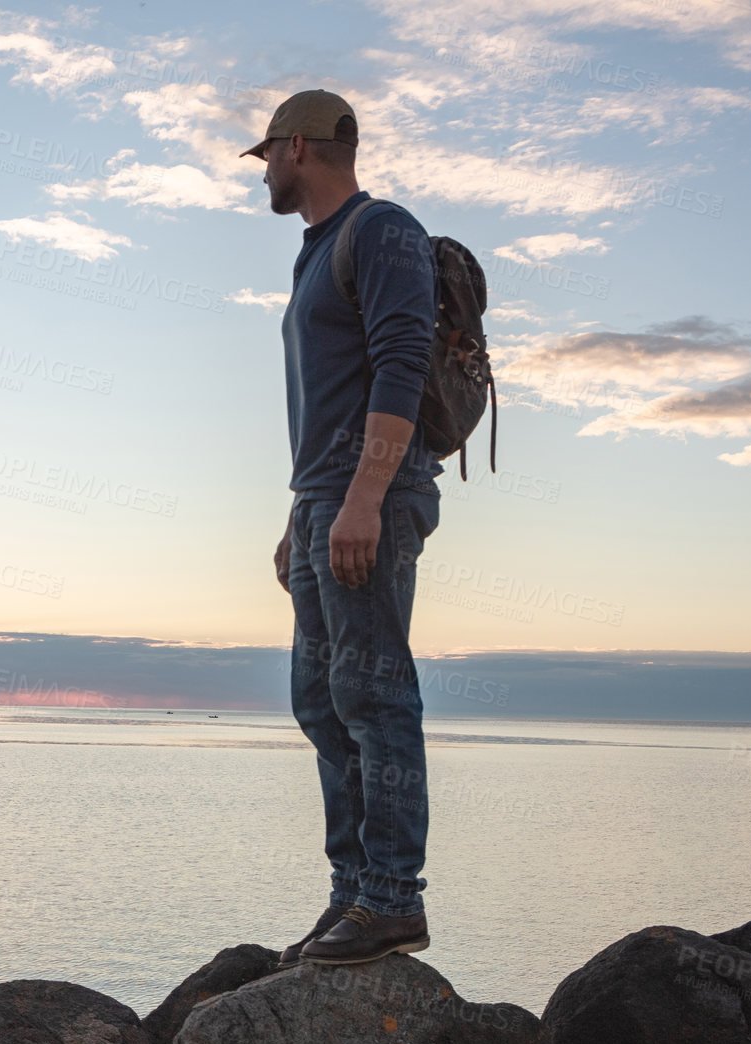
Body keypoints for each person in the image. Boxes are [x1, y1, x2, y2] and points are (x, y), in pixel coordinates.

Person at [243, 90, 441, 965]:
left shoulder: (382, 230)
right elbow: (327, 396)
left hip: (374, 495)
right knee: (321, 701)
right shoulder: (313, 253)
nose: (265, 172)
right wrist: (303, 513)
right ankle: (352, 895)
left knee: (374, 694)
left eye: (268, 157)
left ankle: (393, 899)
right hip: (323, 497)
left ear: (298, 147)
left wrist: (364, 495)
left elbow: (402, 365)